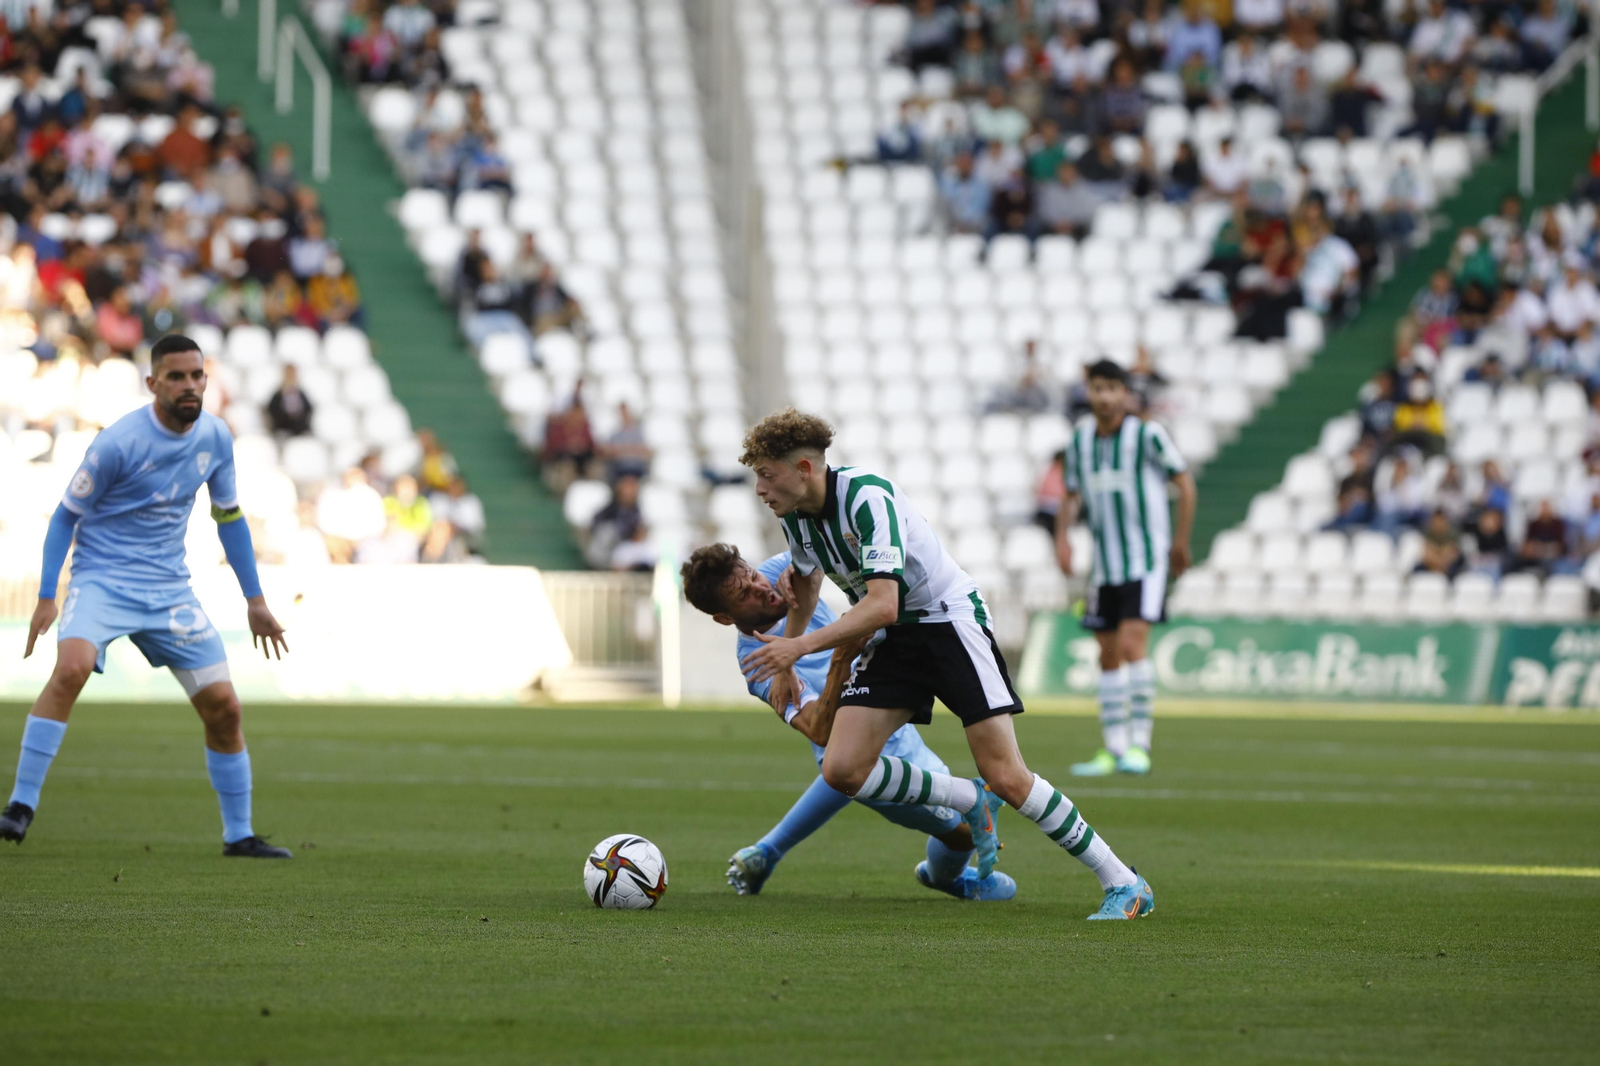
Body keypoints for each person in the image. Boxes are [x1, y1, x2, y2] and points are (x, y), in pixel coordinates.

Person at [736, 409, 1153, 919]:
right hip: (893, 636)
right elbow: (805, 586)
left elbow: (883, 602)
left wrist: (797, 650)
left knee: (1008, 776)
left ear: (803, 468)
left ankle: (1124, 882)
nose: (759, 487)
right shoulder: (795, 515)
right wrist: (785, 663)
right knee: (842, 768)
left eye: (766, 473)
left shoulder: (866, 497)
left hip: (947, 623)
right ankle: (968, 798)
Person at [3, 335, 292, 857]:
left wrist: (255, 599)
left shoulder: (216, 437)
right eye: (176, 376)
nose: (189, 385)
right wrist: (48, 595)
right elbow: (66, 515)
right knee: (70, 669)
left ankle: (239, 834)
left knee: (225, 708)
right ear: (153, 383)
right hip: (102, 581)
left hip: (168, 590)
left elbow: (228, 516)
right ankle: (20, 806)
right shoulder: (118, 442)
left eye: (196, 375)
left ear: (207, 379)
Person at [682, 544, 1016, 901]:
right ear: (725, 617)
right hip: (876, 755)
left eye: (752, 575)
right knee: (966, 829)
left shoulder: (777, 572)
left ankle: (767, 852)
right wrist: (840, 663)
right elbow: (818, 731)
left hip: (885, 714)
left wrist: (794, 634)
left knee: (844, 775)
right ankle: (946, 878)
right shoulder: (756, 663)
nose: (762, 588)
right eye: (745, 594)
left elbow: (815, 556)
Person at [1055, 360, 1197, 778]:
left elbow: (1185, 483)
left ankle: (1140, 745)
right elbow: (1070, 494)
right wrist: (1061, 538)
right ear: (1089, 391)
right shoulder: (1080, 439)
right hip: (1104, 567)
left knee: (1133, 645)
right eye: (1098, 388)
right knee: (1107, 653)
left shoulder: (1147, 434)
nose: (1104, 396)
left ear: (1124, 393)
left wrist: (1180, 541)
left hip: (1146, 560)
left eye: (1112, 388)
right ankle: (1113, 748)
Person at [265, 364, 314, 437]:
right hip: (283, 426)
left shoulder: (300, 393)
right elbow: (272, 409)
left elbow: (308, 408)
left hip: (299, 427)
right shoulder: (278, 394)